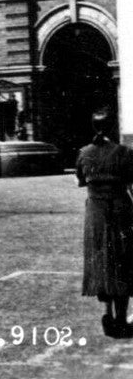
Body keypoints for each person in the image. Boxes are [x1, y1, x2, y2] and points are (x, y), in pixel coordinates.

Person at [77, 107, 133, 338]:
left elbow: (80, 180)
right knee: (123, 262)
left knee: (102, 262)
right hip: (120, 211)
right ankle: (121, 319)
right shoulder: (124, 152)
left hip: (96, 215)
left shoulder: (84, 152)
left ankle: (108, 314)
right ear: (112, 126)